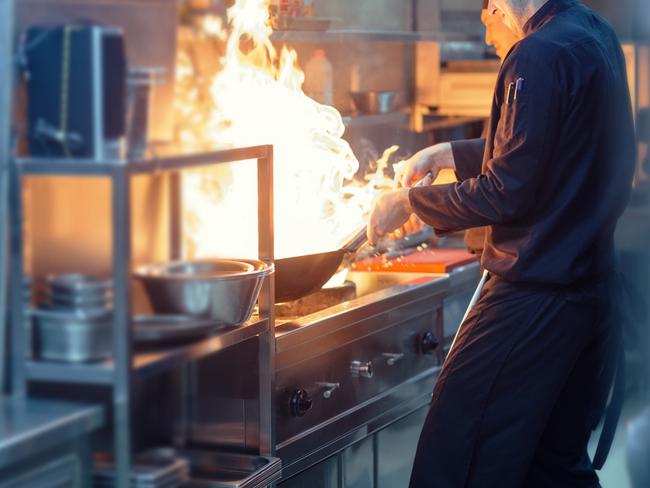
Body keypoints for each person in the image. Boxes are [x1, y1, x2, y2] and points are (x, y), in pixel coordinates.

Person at [367, 0, 636, 486]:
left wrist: (410, 203)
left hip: (533, 301)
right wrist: (449, 152)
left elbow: (506, 191)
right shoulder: (595, 35)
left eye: (490, 5)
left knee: (453, 465)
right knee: (553, 469)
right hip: (590, 299)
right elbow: (544, 148)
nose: (485, 19)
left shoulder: (534, 54)